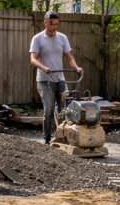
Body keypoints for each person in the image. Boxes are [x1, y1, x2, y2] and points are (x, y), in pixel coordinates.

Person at [29, 11, 83, 144]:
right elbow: (33, 59)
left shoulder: (62, 38)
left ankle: (62, 136)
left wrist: (76, 68)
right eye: (51, 24)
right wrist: (44, 68)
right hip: (44, 79)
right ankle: (47, 138)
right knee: (49, 109)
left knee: (64, 109)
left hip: (60, 78)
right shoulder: (38, 38)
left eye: (56, 24)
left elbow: (69, 57)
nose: (54, 26)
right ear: (45, 22)